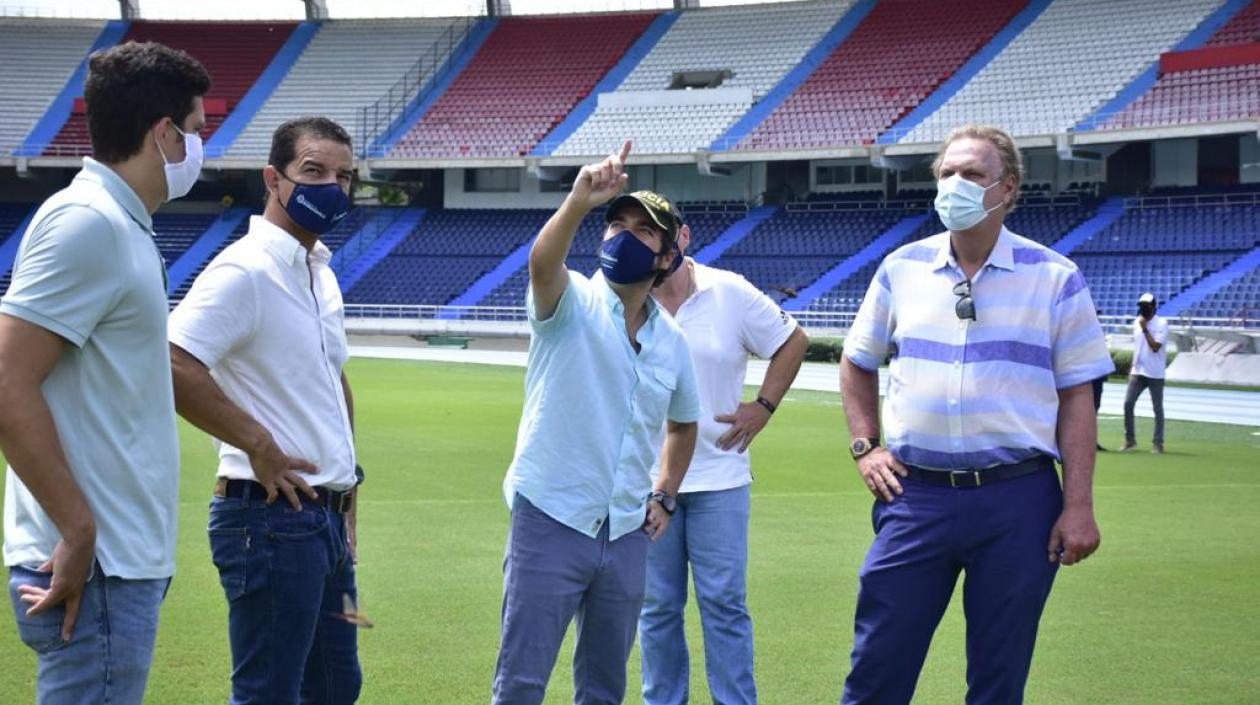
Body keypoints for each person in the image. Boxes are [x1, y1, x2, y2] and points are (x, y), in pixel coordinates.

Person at [838, 125, 1114, 705]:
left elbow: (1078, 397)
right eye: (947, 173)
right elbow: (856, 361)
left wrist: (1079, 506)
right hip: (916, 495)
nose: (954, 185)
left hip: (1017, 498)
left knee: (998, 676)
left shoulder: (1055, 278)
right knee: (878, 665)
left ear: (1007, 188)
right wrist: (866, 446)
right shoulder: (901, 268)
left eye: (972, 174)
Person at [0, 42, 209, 704]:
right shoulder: (89, 222)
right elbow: (6, 381)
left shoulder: (120, 223)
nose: (200, 148)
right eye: (197, 130)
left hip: (116, 560)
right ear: (164, 134)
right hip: (98, 566)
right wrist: (79, 528)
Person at [492, 143, 701, 705]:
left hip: (627, 530)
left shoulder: (672, 341)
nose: (623, 237)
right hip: (551, 516)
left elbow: (684, 424)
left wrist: (666, 493)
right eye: (616, 225)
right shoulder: (573, 303)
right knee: (521, 683)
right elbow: (542, 264)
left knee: (606, 687)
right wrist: (579, 201)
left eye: (643, 231)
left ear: (666, 258)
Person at [167, 117, 362, 705]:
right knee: (269, 693)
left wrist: (350, 486)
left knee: (336, 685)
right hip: (270, 521)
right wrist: (258, 443)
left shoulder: (320, 273)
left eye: (344, 176)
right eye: (314, 171)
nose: (332, 186)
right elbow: (171, 361)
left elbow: (333, 378)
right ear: (273, 179)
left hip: (324, 522)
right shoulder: (244, 270)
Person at [641, 215, 809, 705]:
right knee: (656, 608)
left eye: (653, 230)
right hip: (644, 479)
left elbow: (792, 340)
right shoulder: (623, 294)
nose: (644, 241)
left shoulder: (728, 290)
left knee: (724, 605)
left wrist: (764, 406)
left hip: (719, 476)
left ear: (682, 235)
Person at [1122, 292, 1168, 454]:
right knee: (1128, 404)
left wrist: (1145, 329)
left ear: (1154, 307)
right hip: (1138, 371)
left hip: (1155, 373)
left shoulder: (1161, 323)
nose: (1143, 309)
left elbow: (1155, 347)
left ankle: (1158, 443)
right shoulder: (1137, 322)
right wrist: (1132, 367)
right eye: (1141, 306)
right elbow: (1138, 347)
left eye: (1146, 306)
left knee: (1157, 408)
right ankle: (1130, 440)